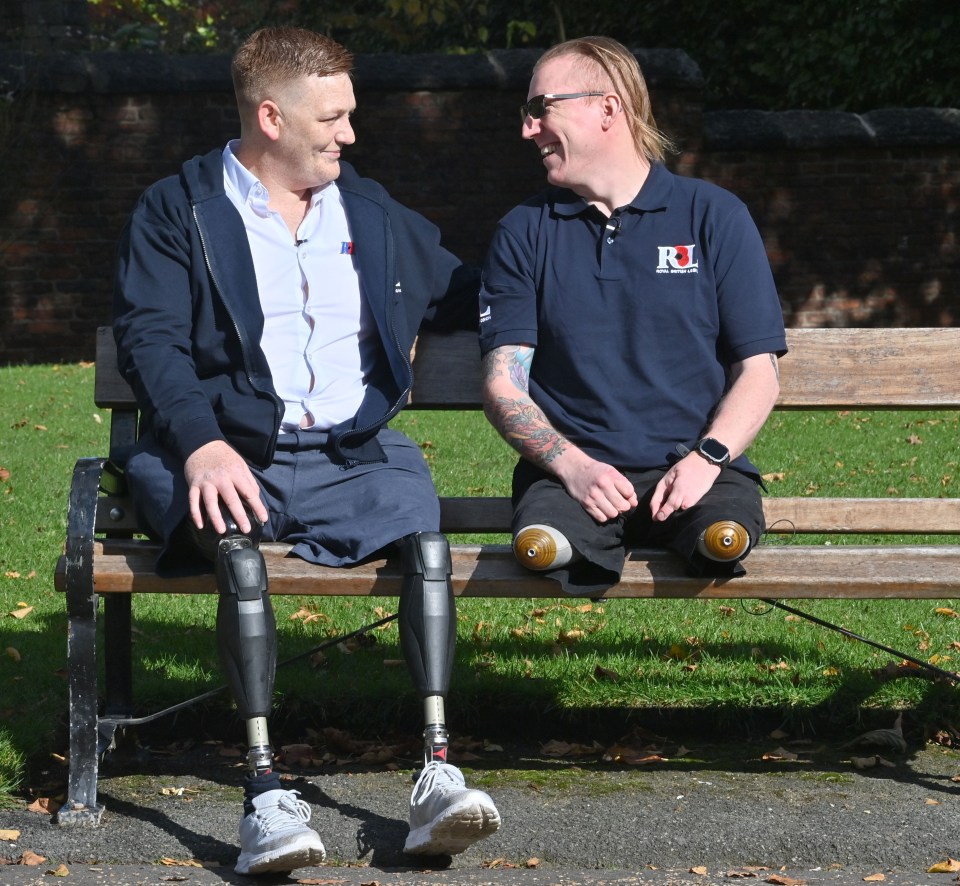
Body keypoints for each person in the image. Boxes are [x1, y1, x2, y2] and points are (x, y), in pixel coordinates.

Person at [113, 26, 500, 876]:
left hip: (350, 452)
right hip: (229, 452)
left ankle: (437, 775)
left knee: (423, 535)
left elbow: (468, 288)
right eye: (333, 117)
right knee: (240, 556)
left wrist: (557, 273)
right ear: (271, 117)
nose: (350, 134)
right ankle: (264, 800)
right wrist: (203, 445)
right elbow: (153, 341)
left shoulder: (369, 210)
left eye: (350, 115)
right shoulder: (180, 209)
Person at [479, 36, 787, 596]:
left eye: (540, 109)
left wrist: (707, 459)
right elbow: (504, 386)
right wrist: (574, 468)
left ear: (607, 108)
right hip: (571, 478)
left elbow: (759, 371)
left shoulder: (714, 215)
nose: (527, 129)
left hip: (696, 470)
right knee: (540, 546)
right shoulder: (522, 232)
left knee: (724, 537)